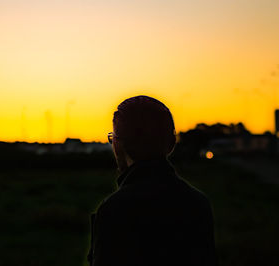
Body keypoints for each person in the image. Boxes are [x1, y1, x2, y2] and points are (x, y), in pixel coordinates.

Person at [87, 96, 217, 266]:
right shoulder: (199, 204)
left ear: (119, 145)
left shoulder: (114, 210)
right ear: (171, 144)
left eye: (113, 138)